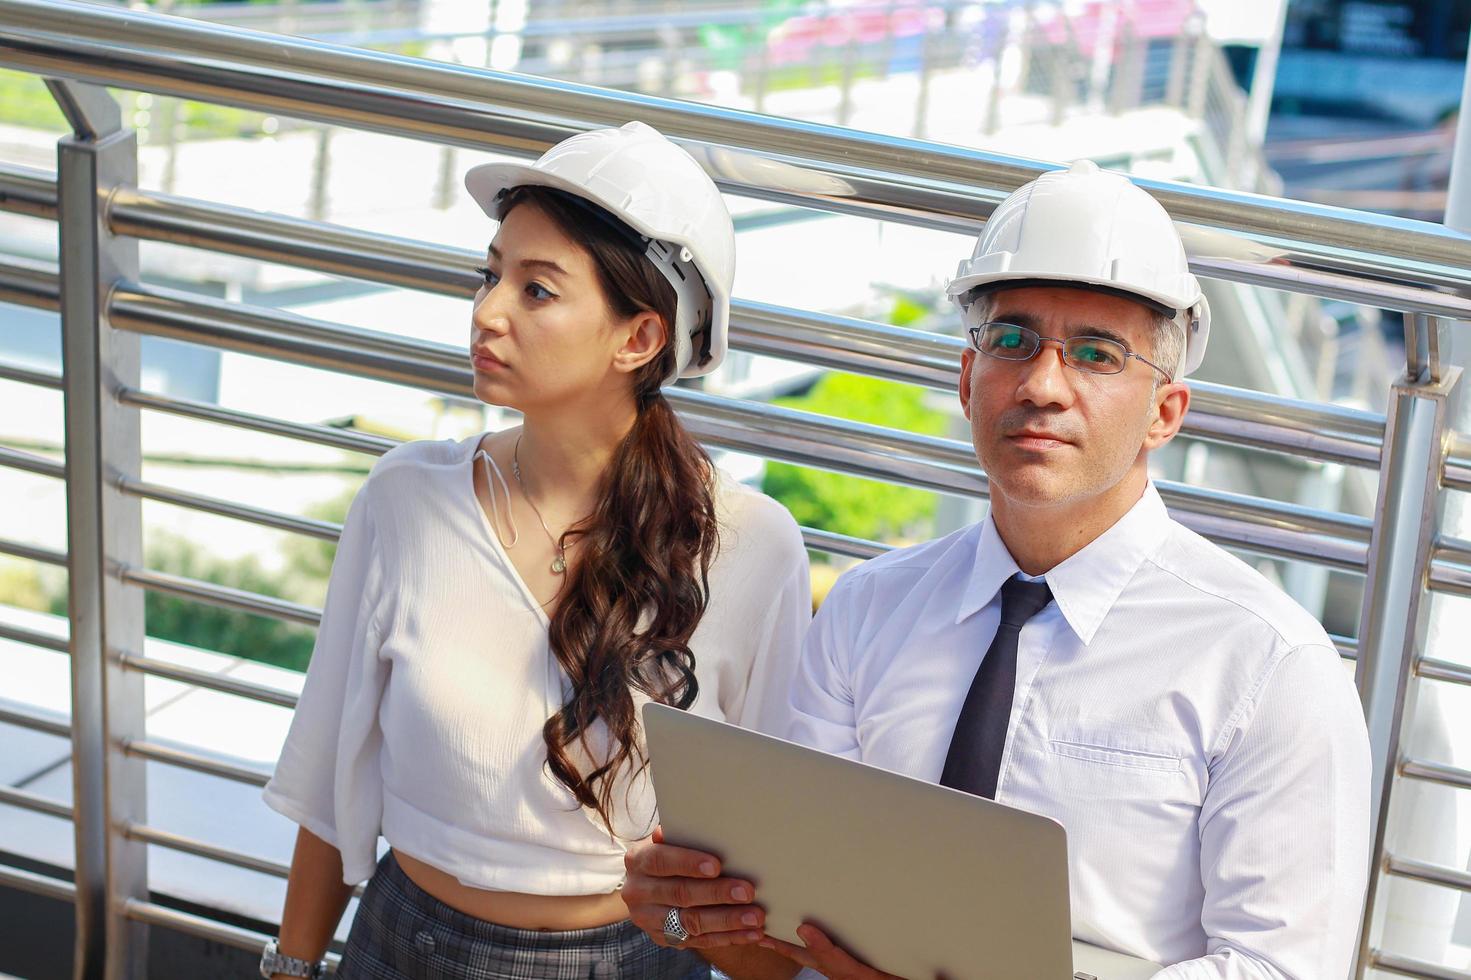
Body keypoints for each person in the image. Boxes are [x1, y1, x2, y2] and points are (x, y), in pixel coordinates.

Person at [621, 161, 1371, 979]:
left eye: (1097, 354)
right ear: (968, 378)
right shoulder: (867, 609)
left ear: (1164, 412)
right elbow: (793, 940)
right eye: (1011, 340)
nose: (1043, 385)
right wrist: (699, 916)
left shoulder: (1268, 666)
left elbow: (1284, 967)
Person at [258, 121, 811, 980]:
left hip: (631, 963)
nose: (487, 312)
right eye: (490, 275)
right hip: (403, 947)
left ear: (639, 337)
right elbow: (330, 779)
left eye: (537, 290)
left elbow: (770, 865)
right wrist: (289, 971)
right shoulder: (405, 499)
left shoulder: (747, 545)